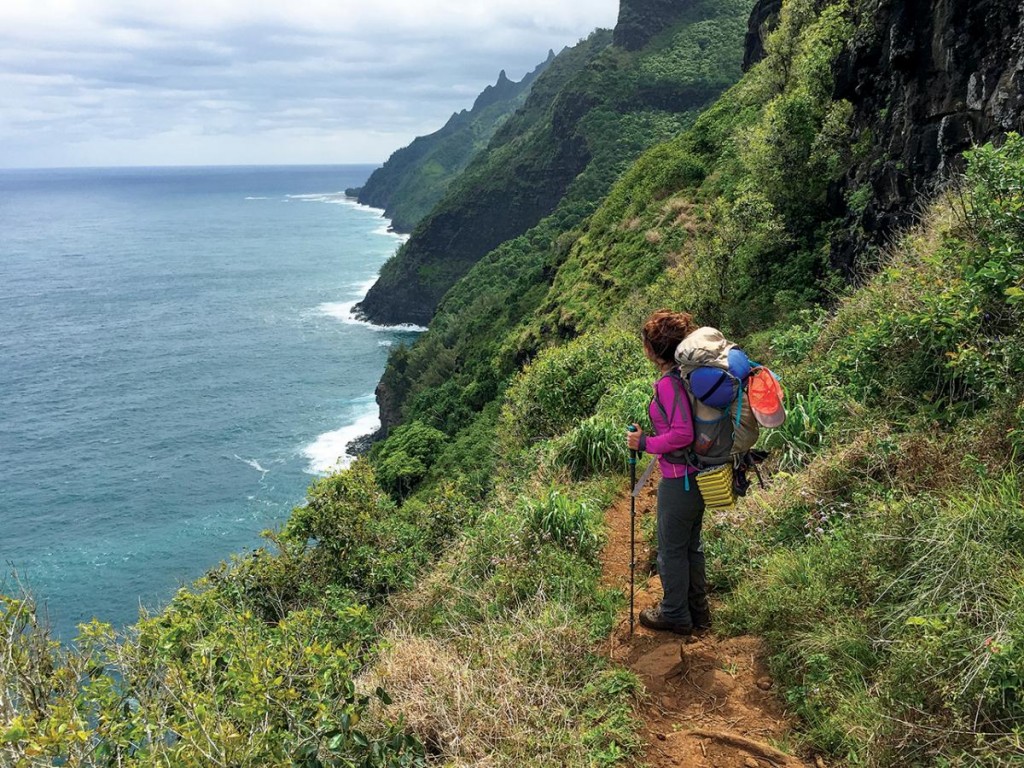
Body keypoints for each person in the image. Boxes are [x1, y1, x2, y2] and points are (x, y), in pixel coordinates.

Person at [626, 309, 711, 635]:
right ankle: (698, 614)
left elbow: (682, 434)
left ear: (653, 350)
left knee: (672, 551)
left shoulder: (668, 384)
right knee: (690, 547)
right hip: (696, 475)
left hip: (680, 481)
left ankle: (675, 614)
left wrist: (643, 441)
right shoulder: (686, 375)